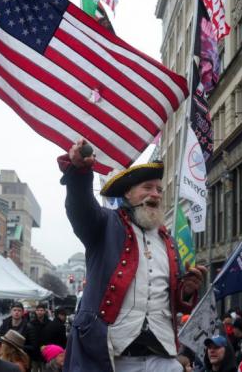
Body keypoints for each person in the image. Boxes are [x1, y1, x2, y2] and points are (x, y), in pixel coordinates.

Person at [58, 140, 205, 372]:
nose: (155, 194)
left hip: (161, 355)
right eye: (147, 188)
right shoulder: (104, 224)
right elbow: (81, 207)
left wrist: (186, 289)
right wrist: (80, 174)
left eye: (159, 189)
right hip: (113, 355)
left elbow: (171, 299)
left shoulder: (168, 241)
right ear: (128, 192)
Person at [25, 304, 50, 371]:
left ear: (44, 312)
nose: (39, 312)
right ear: (35, 311)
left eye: (41, 310)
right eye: (38, 310)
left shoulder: (49, 323)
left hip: (45, 353)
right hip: (34, 353)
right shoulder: (31, 323)